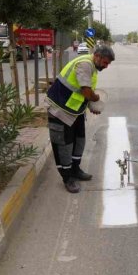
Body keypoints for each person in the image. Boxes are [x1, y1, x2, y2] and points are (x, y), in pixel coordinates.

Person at [46, 45, 115, 193]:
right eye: (105, 62)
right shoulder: (85, 64)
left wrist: (90, 105)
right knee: (64, 145)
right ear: (97, 56)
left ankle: (75, 170)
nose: (106, 66)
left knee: (79, 141)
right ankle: (67, 178)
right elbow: (86, 90)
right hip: (60, 109)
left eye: (108, 63)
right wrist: (95, 98)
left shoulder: (93, 68)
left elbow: (82, 91)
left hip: (74, 110)